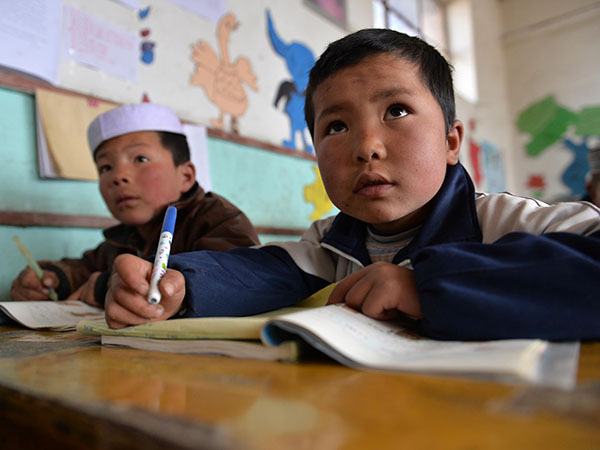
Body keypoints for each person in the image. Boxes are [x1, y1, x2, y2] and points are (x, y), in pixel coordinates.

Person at [104, 30, 600, 339]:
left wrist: (427, 287)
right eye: (336, 126)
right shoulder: (330, 244)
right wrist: (180, 286)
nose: (366, 147)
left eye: (397, 111)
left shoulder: (506, 221)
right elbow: (259, 272)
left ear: (451, 141)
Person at [11, 103, 260, 306]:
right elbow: (85, 268)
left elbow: (235, 279)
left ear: (186, 176)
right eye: (105, 167)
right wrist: (53, 278)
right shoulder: (123, 239)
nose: (118, 176)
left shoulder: (218, 220)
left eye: (140, 159)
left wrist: (105, 286)